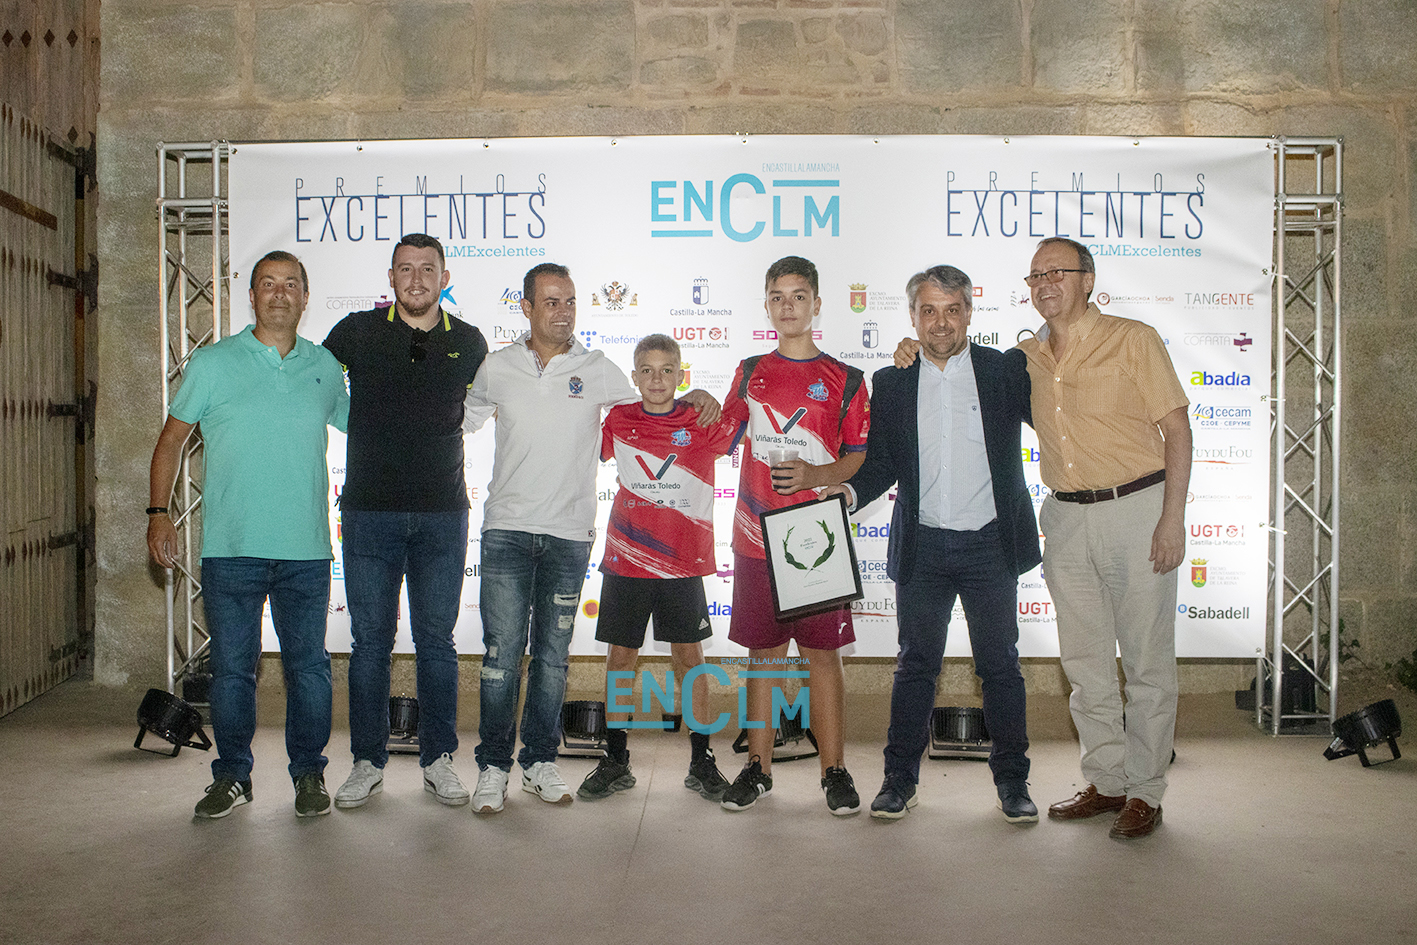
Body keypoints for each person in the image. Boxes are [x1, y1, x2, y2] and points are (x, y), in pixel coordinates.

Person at [896, 237, 1191, 839]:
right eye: (1035, 276)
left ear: (1088, 279)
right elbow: (953, 373)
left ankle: (1146, 791)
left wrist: (1172, 518)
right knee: (1085, 664)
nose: (1045, 284)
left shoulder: (1134, 340)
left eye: (1057, 272)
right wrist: (912, 353)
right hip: (1065, 518)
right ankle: (1107, 781)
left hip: (1137, 510)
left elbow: (1179, 431)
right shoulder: (1023, 359)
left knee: (1146, 664)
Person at [463, 263, 720, 813]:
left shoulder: (600, 370)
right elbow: (459, 422)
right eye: (551, 301)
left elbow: (669, 405)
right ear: (527, 307)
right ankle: (506, 767)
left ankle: (549, 762)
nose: (563, 311)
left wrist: (700, 394)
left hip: (606, 544)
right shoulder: (500, 367)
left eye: (570, 301)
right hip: (531, 536)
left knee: (562, 660)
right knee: (510, 656)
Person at [824, 265, 1039, 824]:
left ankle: (1013, 783)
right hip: (923, 549)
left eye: (951, 310)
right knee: (915, 666)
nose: (940, 323)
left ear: (969, 313)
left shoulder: (1003, 370)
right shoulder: (892, 381)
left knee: (1001, 667)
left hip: (991, 545)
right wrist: (848, 494)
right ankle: (899, 781)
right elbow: (883, 463)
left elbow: (1059, 408)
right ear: (913, 317)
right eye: (928, 311)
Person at [147, 251, 349, 819]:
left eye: (290, 284)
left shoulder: (324, 366)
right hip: (231, 550)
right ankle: (233, 776)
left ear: (305, 297)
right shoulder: (213, 364)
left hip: (306, 551)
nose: (279, 293)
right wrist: (158, 512)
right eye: (268, 284)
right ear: (252, 295)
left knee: (309, 670)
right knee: (233, 672)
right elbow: (170, 441)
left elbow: (369, 429)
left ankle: (309, 774)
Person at [323, 234, 488, 809]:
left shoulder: (469, 342)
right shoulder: (356, 332)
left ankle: (439, 760)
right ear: (390, 278)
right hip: (368, 513)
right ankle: (366, 763)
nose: (416, 279)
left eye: (427, 269)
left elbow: (507, 397)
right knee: (369, 643)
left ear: (445, 277)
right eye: (405, 269)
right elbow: (305, 377)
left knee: (437, 643)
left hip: (444, 514)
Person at [718, 255, 870, 816]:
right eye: (778, 297)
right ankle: (757, 769)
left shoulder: (846, 379)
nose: (788, 307)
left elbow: (859, 456)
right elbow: (721, 435)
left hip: (816, 538)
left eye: (798, 296)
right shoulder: (748, 371)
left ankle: (835, 771)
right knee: (764, 659)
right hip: (755, 536)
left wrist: (817, 475)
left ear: (816, 305)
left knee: (822, 658)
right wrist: (694, 406)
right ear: (766, 306)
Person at [578, 334, 737, 802]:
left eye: (667, 370)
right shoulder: (619, 419)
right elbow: (576, 440)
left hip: (682, 564)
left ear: (681, 374)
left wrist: (706, 397)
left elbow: (748, 418)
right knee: (620, 660)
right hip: (627, 557)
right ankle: (616, 758)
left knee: (690, 660)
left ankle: (701, 759)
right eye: (647, 370)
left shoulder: (700, 418)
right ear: (634, 377)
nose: (657, 379)